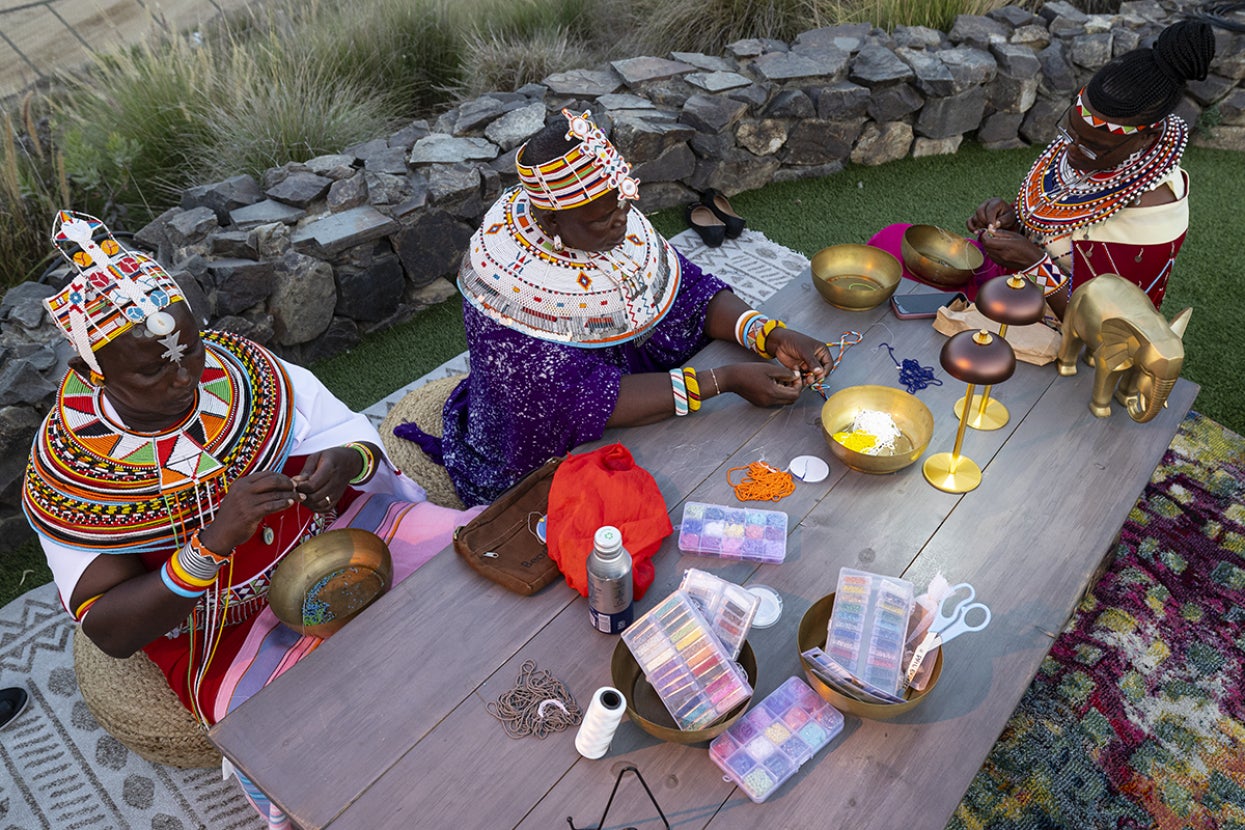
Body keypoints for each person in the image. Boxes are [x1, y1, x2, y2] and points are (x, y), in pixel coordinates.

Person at [22, 211, 477, 827]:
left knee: (480, 568)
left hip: (342, 535)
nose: (185, 376)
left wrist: (342, 464)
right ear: (92, 372)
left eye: (192, 348)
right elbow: (112, 630)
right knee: (315, 748)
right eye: (153, 370)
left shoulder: (248, 375)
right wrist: (211, 544)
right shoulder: (72, 471)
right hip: (219, 627)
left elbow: (354, 442)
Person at [396, 110, 835, 506]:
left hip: (609, 378)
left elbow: (688, 291)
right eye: (602, 218)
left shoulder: (602, 217)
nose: (621, 222)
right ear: (551, 221)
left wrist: (768, 333)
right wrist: (725, 379)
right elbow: (579, 401)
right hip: (547, 419)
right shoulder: (508, 286)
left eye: (623, 205)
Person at [872, 20, 1215, 318]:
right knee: (890, 240)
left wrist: (1034, 264)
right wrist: (1014, 219)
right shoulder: (1090, 138)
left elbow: (1107, 326)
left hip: (1054, 320)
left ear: (1145, 139)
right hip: (1015, 277)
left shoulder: (1152, 211)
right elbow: (1061, 219)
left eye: (1092, 148)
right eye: (1070, 132)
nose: (1072, 151)